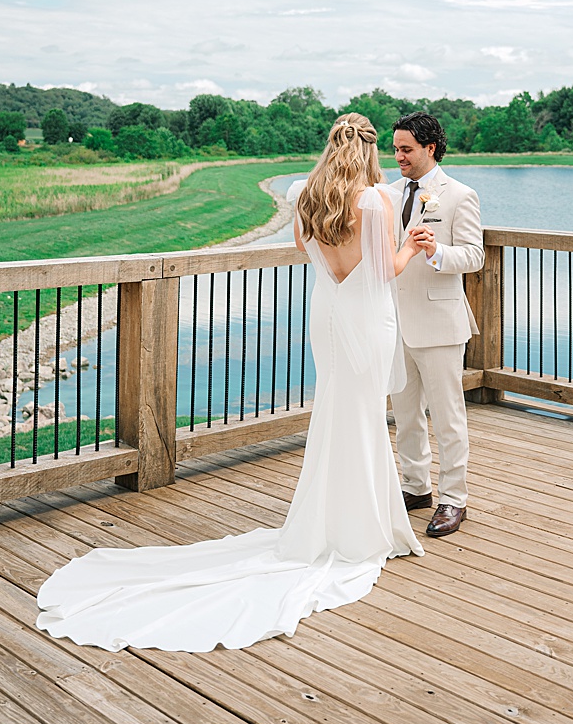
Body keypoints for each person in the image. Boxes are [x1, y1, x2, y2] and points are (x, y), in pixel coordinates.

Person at [35, 113, 423, 652]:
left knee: (336, 413)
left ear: (332, 147)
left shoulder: (309, 196)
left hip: (329, 318)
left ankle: (337, 523)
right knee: (359, 416)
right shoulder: (377, 201)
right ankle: (361, 531)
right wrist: (415, 245)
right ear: (370, 150)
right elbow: (387, 271)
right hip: (366, 319)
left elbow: (305, 251)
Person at [391, 111, 484, 538]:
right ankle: (415, 486)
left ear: (430, 148)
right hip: (394, 321)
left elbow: (474, 256)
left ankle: (454, 499)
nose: (398, 157)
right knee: (405, 414)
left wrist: (437, 252)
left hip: (441, 322)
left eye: (406, 149)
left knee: (448, 417)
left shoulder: (460, 195)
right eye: (395, 149)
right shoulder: (388, 195)